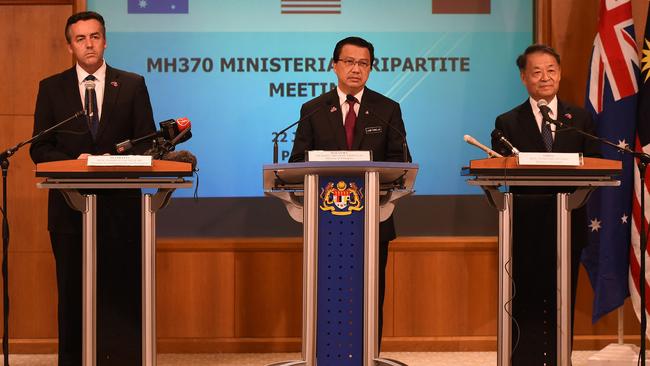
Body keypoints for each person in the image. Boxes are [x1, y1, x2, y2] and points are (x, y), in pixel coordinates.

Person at [30, 11, 156, 366]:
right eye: (81, 39)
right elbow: (40, 148)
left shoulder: (131, 84)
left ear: (106, 40)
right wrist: (79, 161)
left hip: (122, 210)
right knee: (72, 295)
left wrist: (113, 161)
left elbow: (147, 143)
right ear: (70, 46)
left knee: (121, 294)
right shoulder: (51, 87)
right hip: (70, 211)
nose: (89, 44)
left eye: (95, 36)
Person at [289, 36, 411, 347]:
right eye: (349, 62)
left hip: (374, 218)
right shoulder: (313, 109)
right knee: (327, 291)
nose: (356, 69)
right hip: (325, 221)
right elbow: (296, 163)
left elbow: (400, 163)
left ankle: (369, 354)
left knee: (370, 293)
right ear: (334, 65)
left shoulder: (387, 110)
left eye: (363, 63)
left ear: (370, 68)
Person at [491, 44, 599, 365]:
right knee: (525, 298)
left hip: (569, 219)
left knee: (564, 298)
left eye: (551, 70)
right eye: (536, 72)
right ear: (524, 77)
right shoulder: (507, 121)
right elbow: (501, 165)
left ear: (560, 74)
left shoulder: (578, 118)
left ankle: (560, 358)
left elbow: (596, 162)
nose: (545, 77)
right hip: (525, 223)